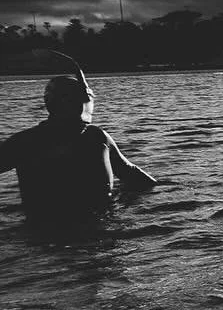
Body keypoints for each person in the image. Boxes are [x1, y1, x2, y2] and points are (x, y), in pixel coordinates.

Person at [0, 57, 156, 222]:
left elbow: (133, 175)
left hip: (45, 232)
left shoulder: (25, 141)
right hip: (96, 229)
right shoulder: (96, 137)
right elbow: (135, 177)